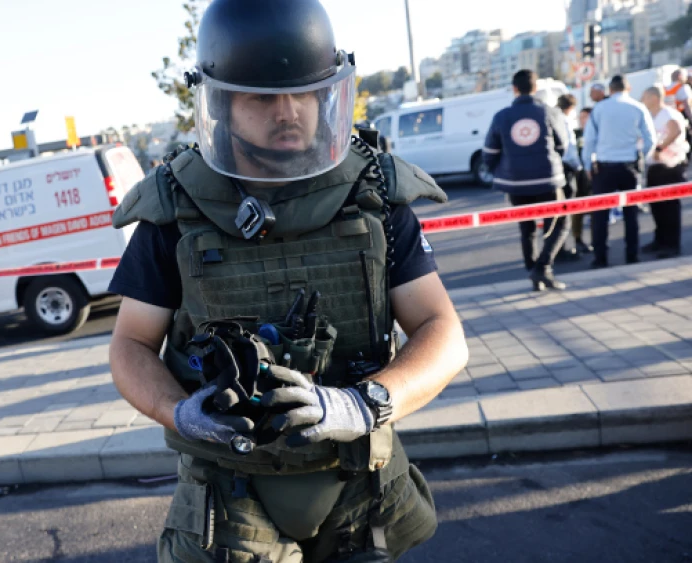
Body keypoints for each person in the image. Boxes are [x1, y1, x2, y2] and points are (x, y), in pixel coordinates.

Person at [107, 1, 468, 561]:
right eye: (262, 97)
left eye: (305, 93)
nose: (290, 111)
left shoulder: (372, 193)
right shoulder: (175, 208)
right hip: (229, 495)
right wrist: (177, 412)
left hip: (358, 484)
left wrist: (361, 405)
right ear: (220, 102)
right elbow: (130, 344)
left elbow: (442, 331)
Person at [483, 69, 571, 291]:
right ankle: (543, 267)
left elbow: (489, 152)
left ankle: (535, 272)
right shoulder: (549, 112)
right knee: (559, 224)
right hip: (548, 180)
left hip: (516, 183)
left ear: (514, 89)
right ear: (535, 88)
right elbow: (562, 146)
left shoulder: (501, 116)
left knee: (527, 228)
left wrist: (501, 172)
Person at [582, 75, 657, 269]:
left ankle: (601, 258)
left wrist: (588, 166)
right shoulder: (637, 107)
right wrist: (640, 156)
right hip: (628, 166)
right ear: (628, 87)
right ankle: (631, 255)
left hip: (605, 167)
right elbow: (650, 139)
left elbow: (589, 140)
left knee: (600, 216)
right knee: (631, 214)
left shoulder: (599, 108)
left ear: (610, 89)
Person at [641, 84, 688, 259]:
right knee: (657, 206)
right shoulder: (651, 116)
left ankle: (671, 245)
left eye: (645, 97)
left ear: (654, 97)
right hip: (655, 166)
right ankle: (660, 240)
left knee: (669, 207)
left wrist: (660, 149)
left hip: (669, 167)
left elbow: (674, 130)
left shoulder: (668, 114)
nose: (642, 100)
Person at [555, 94, 585, 261]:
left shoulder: (552, 118)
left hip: (556, 169)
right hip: (566, 169)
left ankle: (558, 248)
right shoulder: (564, 121)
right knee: (565, 211)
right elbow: (569, 148)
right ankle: (561, 249)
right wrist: (579, 167)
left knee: (557, 211)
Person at [571, 107, 595, 254]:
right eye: (581, 117)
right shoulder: (575, 134)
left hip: (595, 175)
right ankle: (578, 240)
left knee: (596, 210)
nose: (583, 120)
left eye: (586, 117)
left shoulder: (598, 133)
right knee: (577, 210)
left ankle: (597, 239)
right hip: (579, 177)